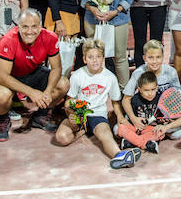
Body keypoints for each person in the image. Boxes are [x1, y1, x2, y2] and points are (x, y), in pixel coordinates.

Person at [54, 39, 141, 169]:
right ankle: (81, 132)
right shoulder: (77, 76)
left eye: (98, 57)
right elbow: (68, 101)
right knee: (61, 138)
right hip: (79, 114)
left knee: (105, 134)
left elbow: (115, 102)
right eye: (90, 57)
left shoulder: (110, 77)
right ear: (84, 59)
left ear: (103, 59)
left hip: (98, 115)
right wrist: (71, 113)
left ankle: (120, 156)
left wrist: (120, 117)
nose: (95, 60)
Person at [0, 9, 70, 142]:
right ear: (18, 26)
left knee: (63, 84)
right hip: (11, 75)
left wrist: (48, 92)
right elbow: (1, 76)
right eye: (25, 26)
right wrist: (32, 92)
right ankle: (4, 119)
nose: (29, 31)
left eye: (34, 26)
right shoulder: (8, 39)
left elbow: (56, 68)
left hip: (34, 71)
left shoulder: (50, 37)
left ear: (40, 26)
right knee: (1, 95)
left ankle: (41, 115)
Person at [122, 39, 181, 140]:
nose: (155, 61)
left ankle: (150, 134)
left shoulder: (171, 72)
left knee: (176, 135)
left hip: (163, 116)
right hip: (144, 112)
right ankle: (151, 134)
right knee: (118, 129)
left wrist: (170, 120)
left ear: (163, 57)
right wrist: (134, 119)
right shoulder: (138, 73)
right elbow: (126, 99)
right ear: (144, 58)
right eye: (150, 57)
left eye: (158, 57)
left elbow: (177, 97)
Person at [116, 71, 164, 153]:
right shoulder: (135, 99)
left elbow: (161, 116)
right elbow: (130, 116)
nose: (150, 93)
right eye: (146, 90)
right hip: (135, 127)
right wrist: (135, 122)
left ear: (157, 88)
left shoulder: (160, 98)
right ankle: (144, 144)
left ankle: (131, 142)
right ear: (140, 90)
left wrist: (161, 122)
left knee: (161, 132)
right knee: (120, 128)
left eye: (153, 89)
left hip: (150, 128)